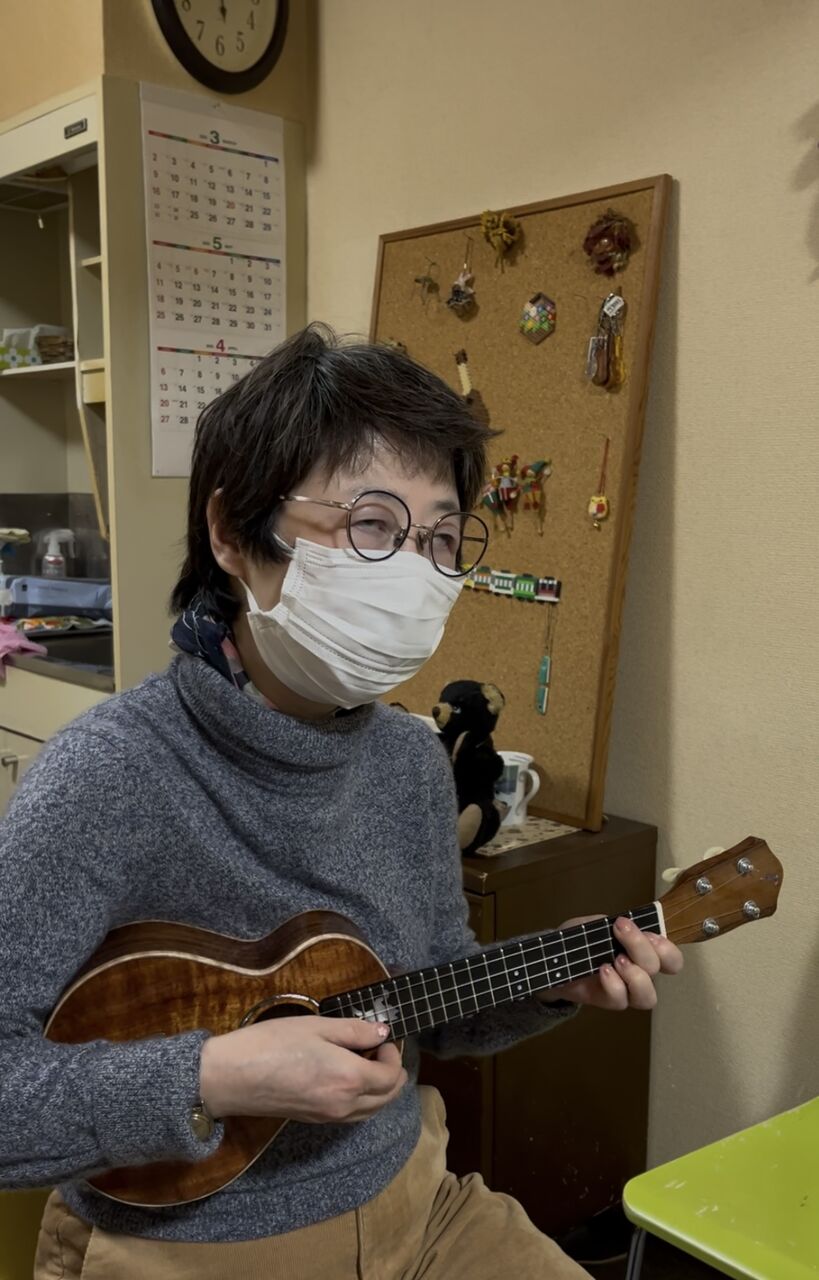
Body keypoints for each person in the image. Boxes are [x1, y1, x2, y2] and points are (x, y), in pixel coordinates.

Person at [0, 325, 682, 1279]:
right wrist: (213, 1075)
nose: (412, 570)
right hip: (186, 1249)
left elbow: (429, 998)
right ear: (232, 534)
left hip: (419, 1204)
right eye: (369, 524)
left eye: (438, 538)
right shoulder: (109, 775)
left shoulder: (408, 760)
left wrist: (548, 982)